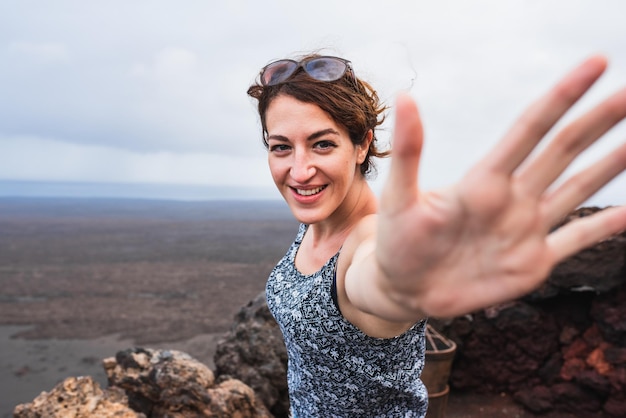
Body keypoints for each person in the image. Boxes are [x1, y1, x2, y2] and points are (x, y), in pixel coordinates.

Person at [247, 53, 626, 417]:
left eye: (322, 144)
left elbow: (381, 282)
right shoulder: (317, 219)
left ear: (361, 145)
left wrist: (408, 283)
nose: (299, 171)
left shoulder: (371, 240)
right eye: (281, 147)